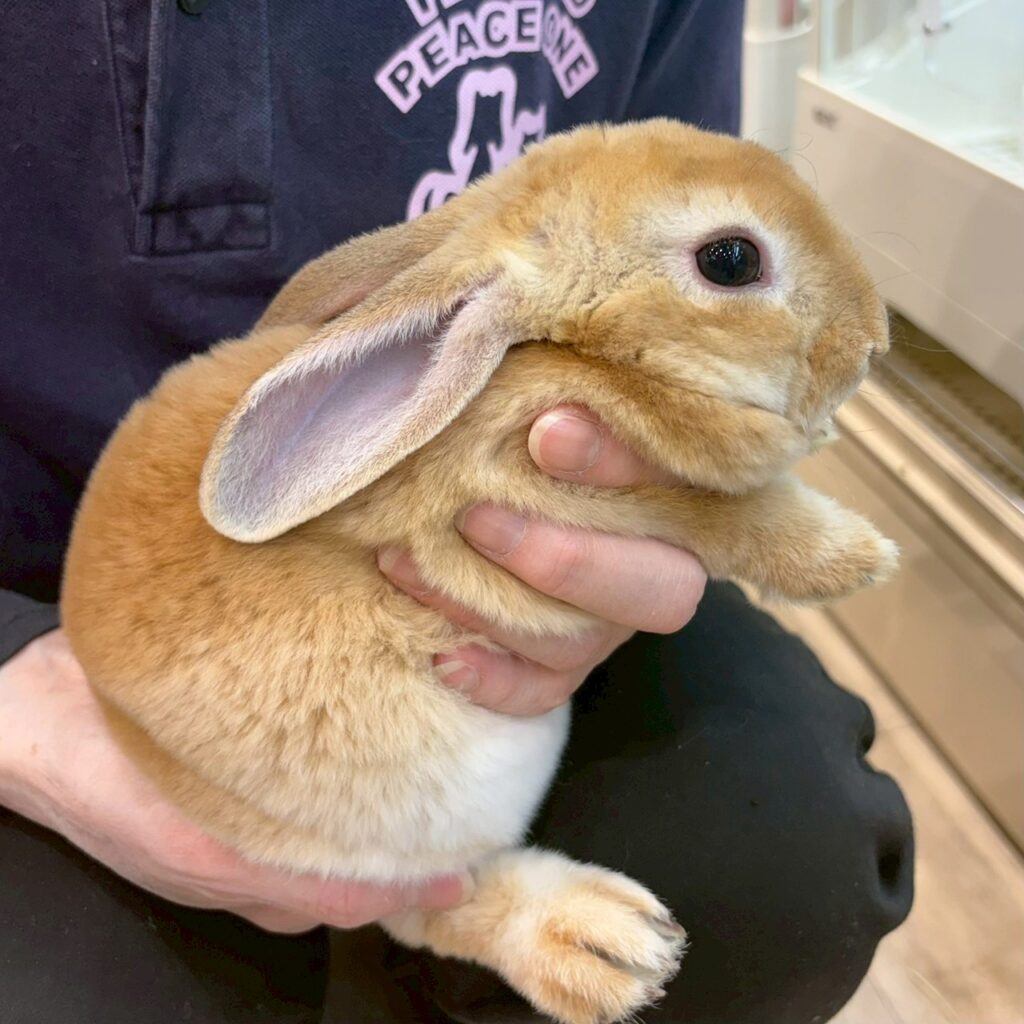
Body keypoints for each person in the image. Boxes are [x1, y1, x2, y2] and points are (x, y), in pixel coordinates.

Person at [0, 2, 913, 1022]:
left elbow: (674, 188)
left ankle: (440, 914)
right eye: (730, 266)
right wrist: (18, 690)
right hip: (62, 604)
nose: (868, 339)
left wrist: (625, 555)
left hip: (451, 609)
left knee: (790, 866)